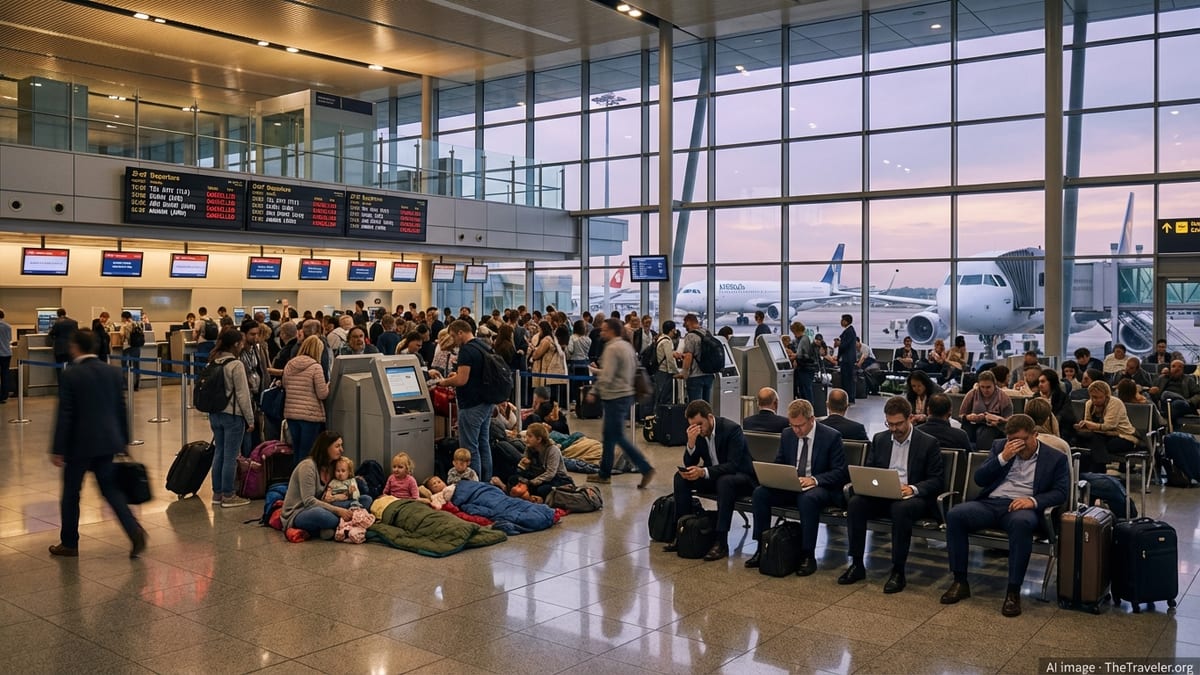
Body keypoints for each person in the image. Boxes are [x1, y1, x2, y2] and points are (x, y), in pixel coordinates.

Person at [941, 414, 1070, 617]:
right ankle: (960, 581)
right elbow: (980, 478)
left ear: (1035, 435)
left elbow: (1061, 492)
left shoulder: (1056, 458)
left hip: (1022, 507)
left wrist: (1033, 501)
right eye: (1012, 440)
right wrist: (1003, 457)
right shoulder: (1000, 446)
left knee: (1022, 524)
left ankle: (1013, 591)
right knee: (956, 515)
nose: (1017, 445)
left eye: (1022, 440)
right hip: (992, 502)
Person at [48, 329, 146, 558]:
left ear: (75, 347)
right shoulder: (112, 372)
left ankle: (70, 543)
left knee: (72, 493)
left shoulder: (71, 375)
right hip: (108, 442)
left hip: (78, 445)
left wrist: (58, 449)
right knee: (110, 489)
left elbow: (66, 415)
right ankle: (134, 530)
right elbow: (122, 409)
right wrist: (124, 440)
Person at [840, 396, 944, 594]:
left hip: (913, 498)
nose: (894, 429)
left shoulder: (928, 443)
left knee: (900, 508)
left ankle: (898, 570)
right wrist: (872, 484)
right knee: (856, 503)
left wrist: (912, 488)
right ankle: (857, 563)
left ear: (910, 418)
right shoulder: (881, 439)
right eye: (890, 424)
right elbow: (870, 469)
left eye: (898, 424)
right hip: (884, 493)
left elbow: (937, 480)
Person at [746, 399, 848, 575]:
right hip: (792, 484)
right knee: (760, 493)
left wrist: (814, 480)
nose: (796, 430)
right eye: (793, 425)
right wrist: (778, 476)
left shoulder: (831, 437)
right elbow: (780, 462)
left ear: (811, 419)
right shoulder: (787, 434)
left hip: (820, 486)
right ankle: (762, 547)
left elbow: (840, 473)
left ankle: (807, 554)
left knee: (807, 499)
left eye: (800, 426)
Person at [667, 400, 755, 561]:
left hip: (741, 478)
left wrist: (704, 472)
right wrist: (691, 443)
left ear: (709, 417)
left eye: (700, 424)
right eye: (693, 426)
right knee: (681, 477)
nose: (698, 429)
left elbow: (733, 465)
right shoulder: (698, 434)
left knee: (725, 482)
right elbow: (689, 463)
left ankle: (721, 541)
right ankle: (683, 531)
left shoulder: (732, 429)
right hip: (715, 476)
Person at [586, 318, 655, 486]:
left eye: (604, 330)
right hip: (626, 395)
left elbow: (607, 375)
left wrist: (594, 391)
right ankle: (604, 473)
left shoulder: (612, 348)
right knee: (609, 437)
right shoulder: (627, 346)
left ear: (611, 331)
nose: (601, 333)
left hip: (614, 397)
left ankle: (645, 467)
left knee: (616, 436)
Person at [431, 320, 493, 481]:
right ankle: (485, 481)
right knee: (483, 443)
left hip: (471, 404)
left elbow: (462, 380)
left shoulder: (466, 350)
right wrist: (456, 376)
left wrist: (444, 382)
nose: (453, 339)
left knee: (469, 449)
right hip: (486, 401)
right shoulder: (483, 345)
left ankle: (473, 486)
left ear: (460, 333)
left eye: (453, 335)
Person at [206, 329, 254, 508]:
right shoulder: (236, 365)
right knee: (231, 455)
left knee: (219, 452)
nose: (242, 345)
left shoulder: (213, 361)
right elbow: (243, 395)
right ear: (235, 344)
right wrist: (250, 419)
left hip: (215, 414)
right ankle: (228, 494)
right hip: (232, 415)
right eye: (240, 342)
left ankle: (217, 493)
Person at [282, 431, 355, 538]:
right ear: (326, 448)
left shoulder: (331, 466)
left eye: (341, 446)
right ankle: (351, 522)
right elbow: (309, 501)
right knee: (323, 516)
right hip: (299, 511)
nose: (341, 450)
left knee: (364, 500)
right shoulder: (308, 467)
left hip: (323, 504)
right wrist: (339, 511)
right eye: (337, 446)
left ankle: (332, 529)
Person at [282, 336, 330, 463]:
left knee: (296, 450)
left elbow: (285, 385)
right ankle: (305, 480)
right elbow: (322, 394)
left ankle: (295, 479)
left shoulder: (289, 364)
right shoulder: (316, 367)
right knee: (307, 452)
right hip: (310, 415)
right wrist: (329, 385)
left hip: (291, 413)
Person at [1074, 380, 1138, 472]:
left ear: (1106, 395)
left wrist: (1090, 425)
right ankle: (1097, 469)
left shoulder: (1115, 403)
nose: (1096, 400)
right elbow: (1088, 425)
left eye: (1100, 397)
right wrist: (1083, 426)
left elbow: (1109, 425)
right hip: (1102, 436)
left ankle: (1098, 469)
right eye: (1093, 397)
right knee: (1087, 440)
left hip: (1123, 437)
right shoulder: (1089, 404)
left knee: (1095, 444)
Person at [510, 422, 574, 499]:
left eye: (530, 436)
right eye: (526, 435)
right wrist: (524, 464)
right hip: (537, 475)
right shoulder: (530, 448)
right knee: (513, 479)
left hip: (557, 478)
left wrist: (531, 482)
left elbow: (550, 473)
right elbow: (523, 468)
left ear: (539, 439)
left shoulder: (553, 450)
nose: (526, 439)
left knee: (542, 490)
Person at [959, 370, 1012, 451]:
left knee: (984, 434)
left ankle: (982, 456)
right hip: (973, 424)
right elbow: (961, 414)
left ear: (994, 385)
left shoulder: (1004, 398)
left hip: (995, 427)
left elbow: (1009, 421)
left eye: (988, 387)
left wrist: (999, 421)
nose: (985, 390)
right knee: (965, 432)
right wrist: (968, 417)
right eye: (982, 387)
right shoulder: (972, 394)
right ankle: (966, 455)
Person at [1149, 359, 1200, 424]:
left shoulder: (1189, 380)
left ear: (1183, 370)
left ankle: (1166, 416)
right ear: (1170, 368)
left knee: (1168, 395)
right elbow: (1155, 396)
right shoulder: (1162, 378)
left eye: (1180, 367)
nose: (1177, 369)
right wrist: (1152, 393)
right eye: (1173, 366)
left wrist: (1189, 401)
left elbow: (1198, 394)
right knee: (1164, 395)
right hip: (1165, 404)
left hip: (1182, 404)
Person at [678, 313, 714, 404]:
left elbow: (688, 356)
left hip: (695, 376)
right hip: (709, 374)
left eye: (685, 323)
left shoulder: (690, 336)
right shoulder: (707, 333)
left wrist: (684, 373)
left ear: (689, 322)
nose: (684, 326)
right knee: (706, 405)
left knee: (696, 406)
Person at [652, 320, 679, 407]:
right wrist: (676, 371)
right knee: (665, 396)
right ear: (672, 330)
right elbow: (669, 358)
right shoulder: (667, 341)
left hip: (659, 370)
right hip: (665, 372)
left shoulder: (660, 338)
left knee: (659, 395)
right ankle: (663, 416)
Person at [789, 321, 817, 405]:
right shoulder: (804, 338)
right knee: (804, 389)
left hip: (806, 368)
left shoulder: (804, 339)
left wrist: (794, 356)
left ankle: (808, 408)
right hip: (805, 368)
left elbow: (802, 355)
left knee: (806, 390)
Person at [836, 314, 858, 404]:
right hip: (847, 359)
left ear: (846, 321)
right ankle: (847, 397)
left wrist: (839, 344)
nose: (841, 322)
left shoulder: (849, 331)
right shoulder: (848, 331)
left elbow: (845, 345)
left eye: (842, 320)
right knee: (846, 379)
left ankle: (849, 398)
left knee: (847, 379)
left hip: (847, 359)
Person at [48, 308, 79, 372]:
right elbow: (77, 334)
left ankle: (61, 381)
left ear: (58, 314)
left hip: (59, 349)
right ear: (65, 313)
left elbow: (51, 333)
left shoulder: (57, 323)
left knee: (59, 368)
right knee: (71, 367)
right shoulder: (74, 322)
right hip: (71, 348)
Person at [0, 309, 11, 404]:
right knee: (5, 374)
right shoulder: (8, 326)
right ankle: (4, 395)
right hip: (6, 353)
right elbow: (9, 339)